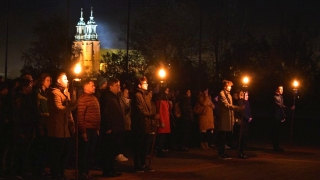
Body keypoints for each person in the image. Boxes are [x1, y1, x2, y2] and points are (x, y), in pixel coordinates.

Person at [47, 72, 77, 179]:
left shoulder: (65, 92)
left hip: (66, 129)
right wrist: (71, 106)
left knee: (67, 150)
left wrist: (72, 122)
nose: (67, 80)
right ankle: (55, 173)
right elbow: (59, 109)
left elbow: (68, 111)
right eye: (65, 79)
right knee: (57, 152)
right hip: (57, 128)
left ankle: (61, 171)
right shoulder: (54, 93)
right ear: (59, 81)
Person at [131, 77, 157, 172]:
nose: (147, 85)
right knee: (139, 145)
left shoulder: (146, 95)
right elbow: (140, 110)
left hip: (147, 123)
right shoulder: (137, 95)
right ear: (139, 85)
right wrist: (151, 115)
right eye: (144, 83)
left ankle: (143, 164)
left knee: (145, 146)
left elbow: (149, 108)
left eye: (147, 83)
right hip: (140, 124)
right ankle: (137, 165)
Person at [99, 77, 124, 177]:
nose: (119, 87)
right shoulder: (106, 97)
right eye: (117, 85)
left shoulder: (114, 96)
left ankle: (112, 169)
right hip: (111, 128)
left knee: (113, 150)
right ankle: (107, 170)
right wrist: (108, 126)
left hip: (116, 128)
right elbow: (105, 112)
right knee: (108, 150)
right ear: (111, 86)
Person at [77, 78, 101, 179]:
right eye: (92, 85)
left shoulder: (94, 98)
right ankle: (82, 172)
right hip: (87, 129)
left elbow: (97, 114)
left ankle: (86, 171)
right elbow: (80, 116)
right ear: (86, 86)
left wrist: (97, 128)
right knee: (85, 152)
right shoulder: (83, 99)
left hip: (93, 129)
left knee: (90, 152)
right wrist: (83, 131)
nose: (94, 87)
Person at [217, 80, 243, 159]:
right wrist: (238, 108)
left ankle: (222, 153)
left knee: (225, 137)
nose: (230, 87)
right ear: (225, 86)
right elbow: (227, 105)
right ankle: (220, 153)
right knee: (222, 136)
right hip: (224, 119)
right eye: (229, 86)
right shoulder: (221, 94)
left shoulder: (229, 95)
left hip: (228, 118)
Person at [34, 73, 51, 177]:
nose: (49, 82)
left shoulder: (46, 92)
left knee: (45, 147)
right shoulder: (37, 92)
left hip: (46, 122)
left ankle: (42, 168)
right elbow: (37, 107)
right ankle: (38, 170)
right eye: (47, 80)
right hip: (41, 122)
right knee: (40, 147)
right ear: (42, 81)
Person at [272, 86, 294, 152]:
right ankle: (275, 147)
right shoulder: (275, 97)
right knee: (276, 132)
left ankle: (277, 146)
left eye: (282, 89)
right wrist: (289, 108)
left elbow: (282, 106)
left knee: (278, 132)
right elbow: (281, 106)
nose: (282, 90)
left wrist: (284, 115)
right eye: (280, 89)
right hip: (276, 116)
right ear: (277, 90)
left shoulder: (281, 97)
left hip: (279, 116)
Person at [234, 91, 252, 159]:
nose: (248, 96)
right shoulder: (240, 102)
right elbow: (242, 112)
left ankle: (242, 151)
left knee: (244, 137)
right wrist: (247, 118)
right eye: (246, 95)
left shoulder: (247, 102)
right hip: (242, 122)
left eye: (248, 95)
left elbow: (249, 110)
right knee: (241, 137)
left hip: (246, 122)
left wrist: (250, 117)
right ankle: (239, 152)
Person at [116, 87, 131, 161]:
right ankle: (119, 153)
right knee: (121, 138)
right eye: (126, 92)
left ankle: (123, 152)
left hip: (127, 122)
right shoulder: (121, 100)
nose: (127, 93)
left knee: (125, 138)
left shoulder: (129, 101)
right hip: (123, 122)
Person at [156, 87, 171, 157]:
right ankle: (160, 151)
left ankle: (161, 150)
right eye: (166, 90)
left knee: (163, 136)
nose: (167, 92)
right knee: (161, 136)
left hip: (166, 120)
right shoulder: (160, 101)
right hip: (163, 120)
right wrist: (161, 121)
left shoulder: (166, 101)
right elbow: (160, 112)